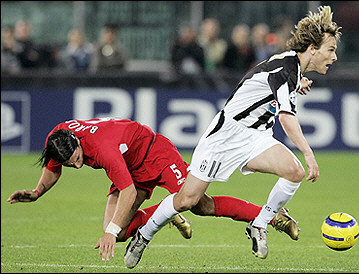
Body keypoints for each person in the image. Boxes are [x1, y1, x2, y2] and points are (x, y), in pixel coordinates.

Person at [124, 5, 341, 268]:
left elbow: (263, 76)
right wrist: (309, 154)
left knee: (293, 171)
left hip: (255, 137)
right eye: (330, 49)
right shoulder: (287, 68)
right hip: (225, 137)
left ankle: (259, 225)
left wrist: (297, 82)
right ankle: (144, 235)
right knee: (188, 201)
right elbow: (286, 117)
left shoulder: (289, 67)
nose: (334, 56)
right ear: (313, 48)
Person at [7, 117, 300, 263]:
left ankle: (271, 216)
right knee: (119, 233)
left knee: (200, 204)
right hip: (131, 165)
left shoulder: (105, 150)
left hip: (155, 154)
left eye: (79, 159)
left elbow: (129, 192)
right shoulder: (58, 141)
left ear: (81, 144)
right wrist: (36, 193)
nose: (80, 166)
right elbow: (53, 167)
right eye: (73, 164)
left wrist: (108, 230)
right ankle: (166, 213)